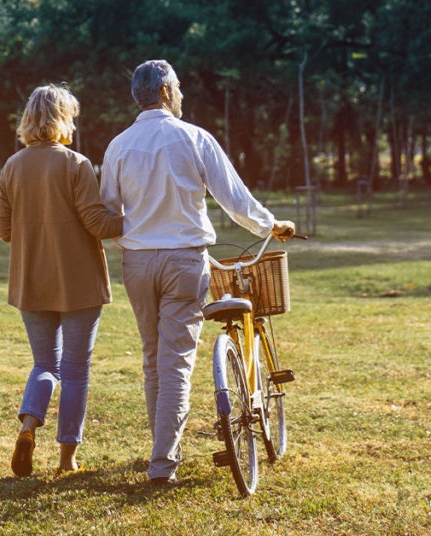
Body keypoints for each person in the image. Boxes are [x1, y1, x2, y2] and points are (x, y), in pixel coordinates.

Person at [101, 60, 295, 486]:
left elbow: (108, 212)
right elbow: (234, 199)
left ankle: (160, 451)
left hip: (137, 263)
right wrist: (270, 225)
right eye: (180, 88)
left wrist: (133, 240)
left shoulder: (118, 145)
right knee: (176, 364)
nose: (183, 95)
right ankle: (162, 464)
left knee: (154, 359)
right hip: (184, 261)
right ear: (167, 92)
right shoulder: (193, 137)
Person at [0, 84, 123, 477]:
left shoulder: (11, 166)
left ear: (29, 119)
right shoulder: (76, 164)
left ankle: (28, 425)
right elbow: (99, 224)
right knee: (75, 370)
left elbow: (5, 231)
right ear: (63, 118)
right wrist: (144, 214)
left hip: (31, 282)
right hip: (78, 282)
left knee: (44, 364)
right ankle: (67, 459)